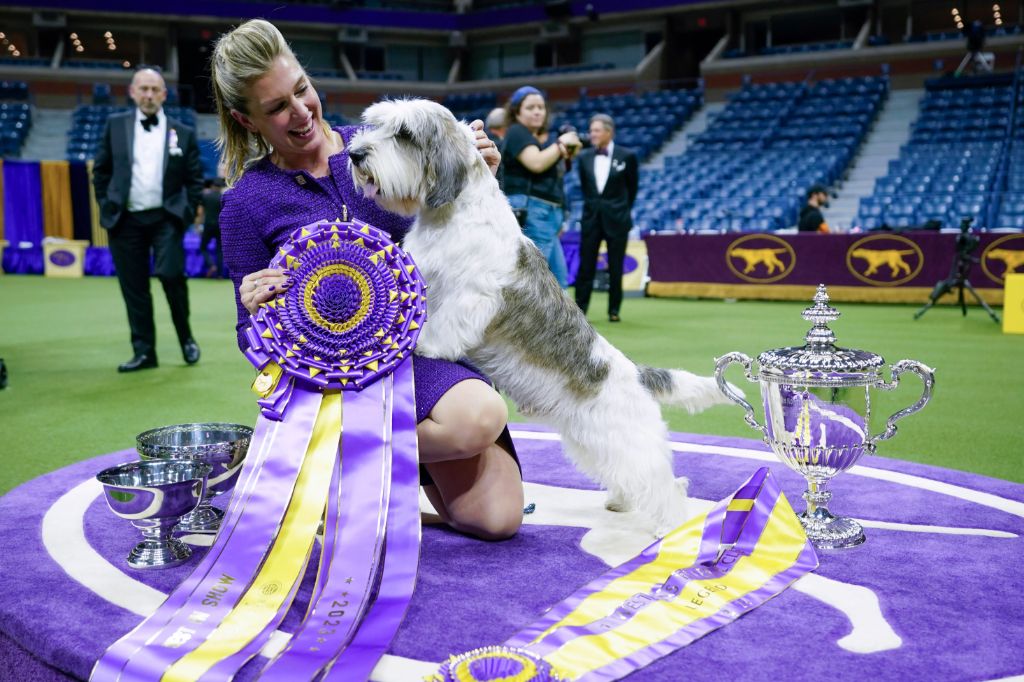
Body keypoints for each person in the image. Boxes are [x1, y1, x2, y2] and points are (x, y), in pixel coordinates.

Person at [211, 19, 522, 541]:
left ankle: (335, 464)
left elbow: (465, 232)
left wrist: (477, 177)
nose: (302, 111)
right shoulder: (245, 202)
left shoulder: (384, 140)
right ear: (247, 120)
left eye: (302, 90)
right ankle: (334, 453)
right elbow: (249, 334)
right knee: (477, 418)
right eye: (278, 108)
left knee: (496, 520)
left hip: (422, 353)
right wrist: (258, 311)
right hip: (334, 382)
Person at [93, 66, 204, 372]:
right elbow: (101, 171)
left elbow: (195, 181)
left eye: (155, 89)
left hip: (166, 218)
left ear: (164, 95)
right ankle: (144, 352)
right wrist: (106, 203)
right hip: (124, 220)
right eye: (143, 88)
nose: (149, 95)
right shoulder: (115, 126)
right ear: (132, 92)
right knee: (134, 286)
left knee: (171, 277)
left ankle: (186, 339)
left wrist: (184, 213)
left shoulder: (183, 132)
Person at [501, 85, 581, 288]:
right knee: (534, 279)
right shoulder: (517, 132)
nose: (537, 111)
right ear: (517, 112)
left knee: (559, 279)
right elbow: (536, 163)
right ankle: (522, 320)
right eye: (530, 107)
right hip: (533, 210)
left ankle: (559, 321)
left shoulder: (537, 139)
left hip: (548, 213)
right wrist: (561, 144)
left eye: (541, 107)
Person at [574, 113, 638, 323]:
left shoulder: (627, 156)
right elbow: (586, 188)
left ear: (609, 132)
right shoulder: (583, 157)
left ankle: (614, 310)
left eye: (596, 130)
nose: (592, 134)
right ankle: (579, 311)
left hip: (617, 220)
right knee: (586, 267)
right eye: (591, 130)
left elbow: (632, 189)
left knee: (616, 266)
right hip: (591, 219)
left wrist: (621, 211)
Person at [195, 178, 225, 277]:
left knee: (203, 247)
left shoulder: (206, 196)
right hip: (220, 226)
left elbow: (200, 212)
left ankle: (211, 265)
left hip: (208, 225)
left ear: (212, 186)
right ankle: (220, 274)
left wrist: (198, 225)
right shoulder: (222, 197)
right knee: (219, 250)